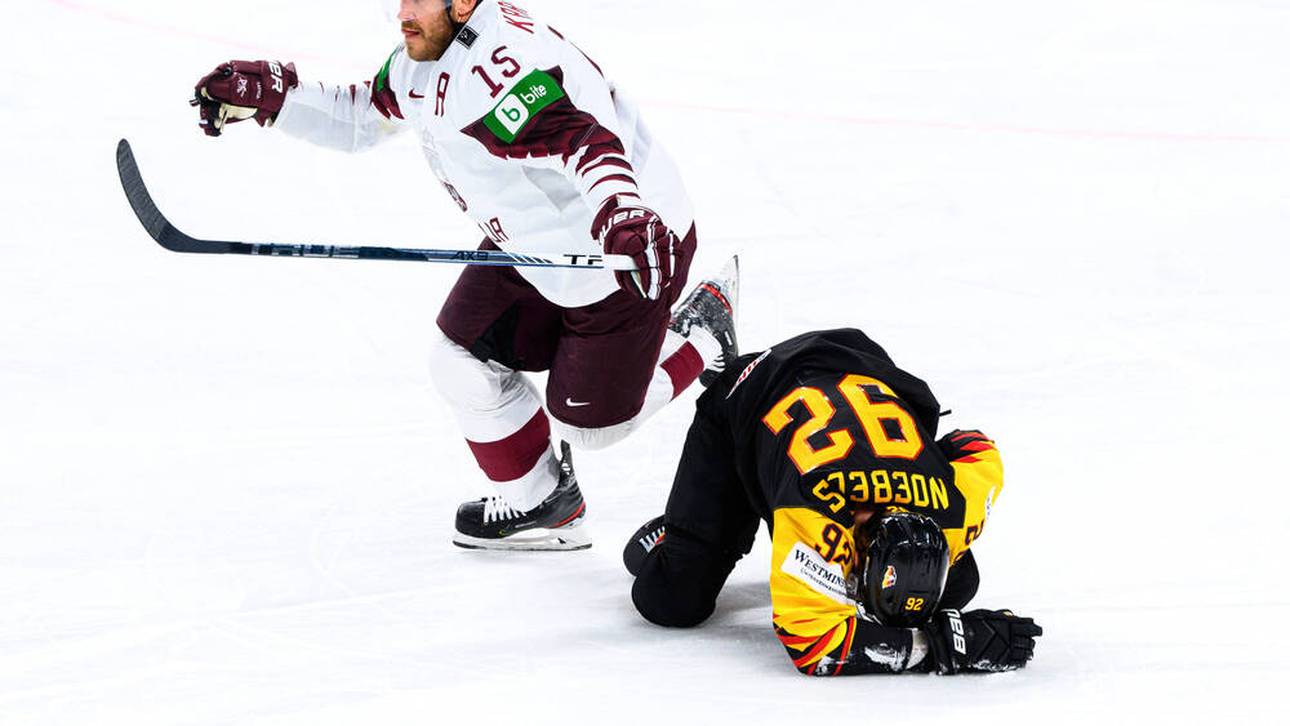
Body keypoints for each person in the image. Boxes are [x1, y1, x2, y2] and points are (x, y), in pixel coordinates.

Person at [190, 0, 738, 549]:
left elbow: (584, 143)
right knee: (459, 363)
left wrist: (623, 213)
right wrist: (280, 98)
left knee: (592, 429)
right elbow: (363, 115)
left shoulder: (501, 72)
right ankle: (543, 503)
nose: (403, 12)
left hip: (623, 257)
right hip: (533, 245)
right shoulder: (425, 55)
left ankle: (703, 331)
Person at [623, 328, 1042, 675]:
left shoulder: (957, 508)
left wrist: (926, 458)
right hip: (752, 390)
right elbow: (816, 647)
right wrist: (941, 647)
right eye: (856, 572)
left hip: (864, 366)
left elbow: (974, 446)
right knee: (672, 600)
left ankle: (715, 510)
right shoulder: (819, 513)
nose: (849, 581)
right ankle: (685, 527)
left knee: (959, 586)